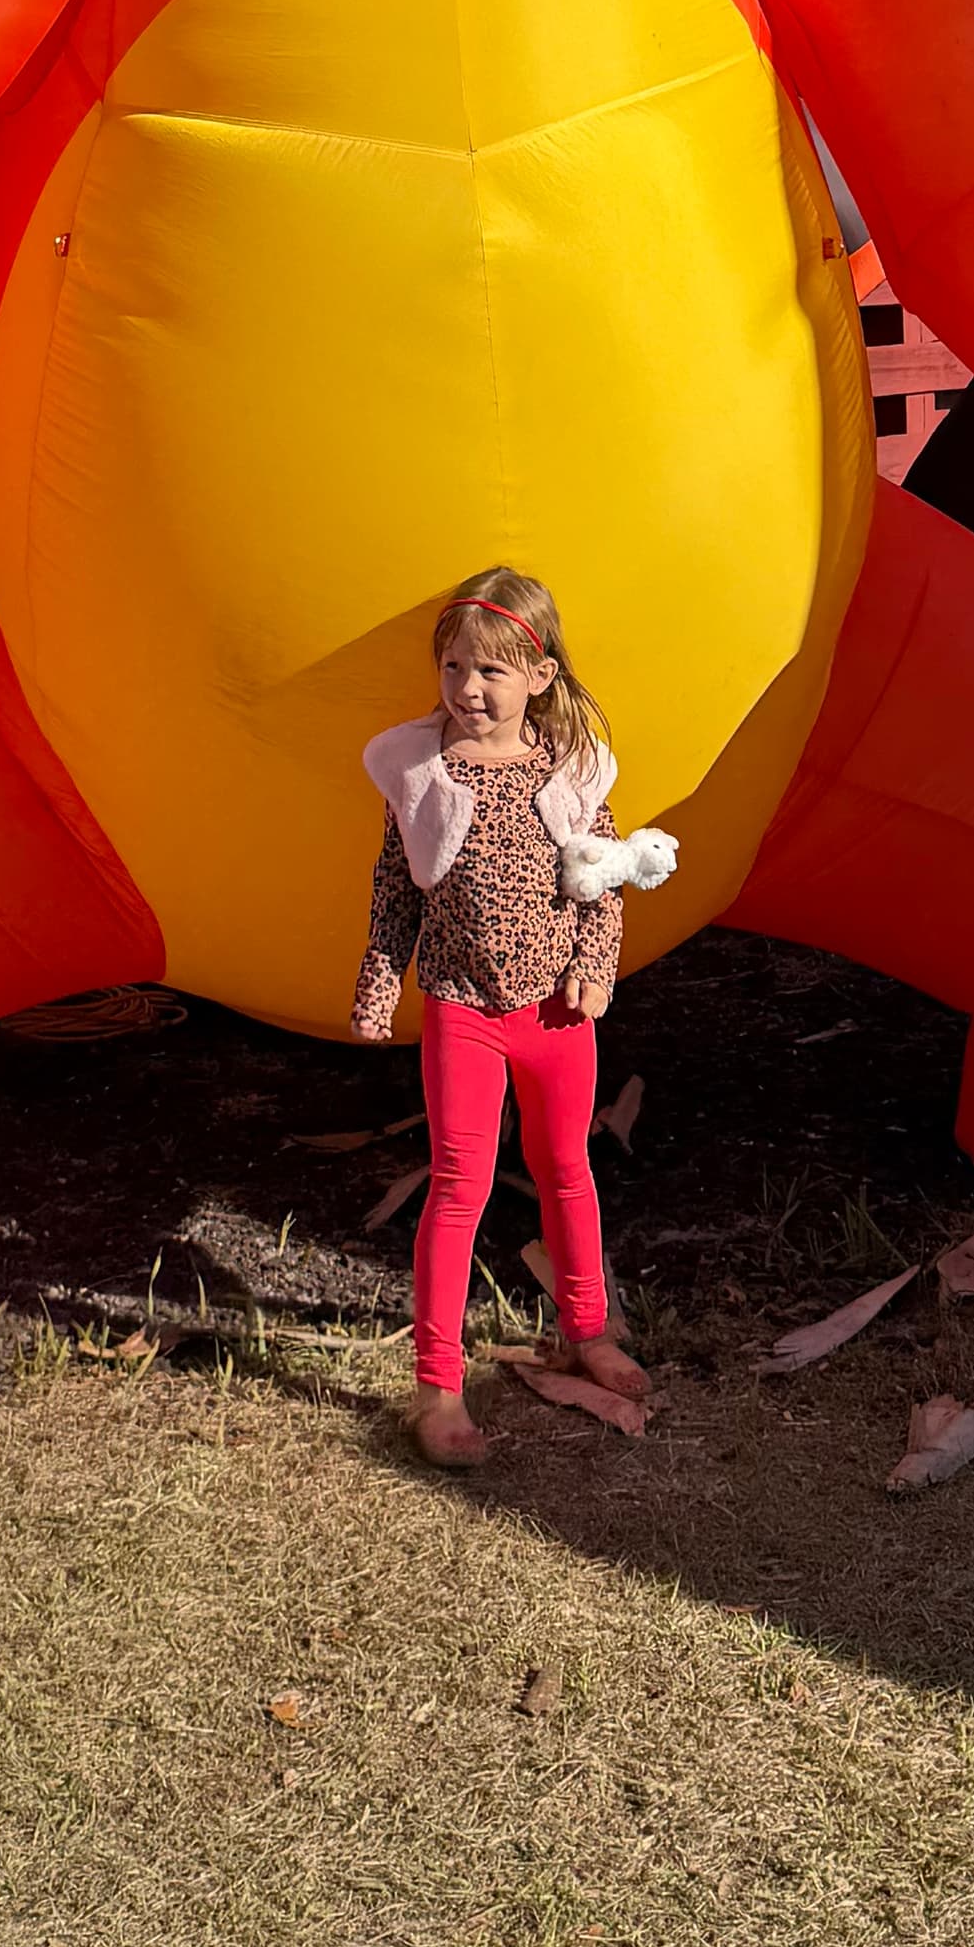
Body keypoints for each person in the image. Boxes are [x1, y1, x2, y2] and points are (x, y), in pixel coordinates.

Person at [350, 568, 678, 1468]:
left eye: (492, 672)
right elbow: (396, 893)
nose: (468, 691)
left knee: (567, 1165)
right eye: (453, 668)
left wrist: (595, 973)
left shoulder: (568, 773)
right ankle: (438, 1384)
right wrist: (381, 984)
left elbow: (604, 879)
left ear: (539, 675)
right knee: (460, 1184)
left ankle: (587, 1328)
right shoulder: (423, 777)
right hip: (463, 1010)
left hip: (557, 1015)